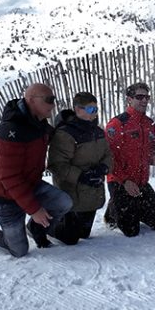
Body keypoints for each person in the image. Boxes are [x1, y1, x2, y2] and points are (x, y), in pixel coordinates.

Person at [0, 83, 73, 257]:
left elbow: (53, 135)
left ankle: (34, 229)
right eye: (49, 100)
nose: (54, 105)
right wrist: (34, 210)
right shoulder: (10, 132)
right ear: (31, 100)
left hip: (29, 186)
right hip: (3, 197)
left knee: (63, 202)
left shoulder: (38, 123)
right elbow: (9, 178)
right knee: (18, 250)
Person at [47, 91, 113, 245]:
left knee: (83, 233)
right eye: (91, 110)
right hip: (72, 192)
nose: (95, 113)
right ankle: (39, 227)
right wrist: (81, 176)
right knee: (70, 237)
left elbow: (108, 154)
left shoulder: (97, 132)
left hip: (92, 192)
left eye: (96, 109)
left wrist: (103, 168)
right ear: (78, 109)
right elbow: (57, 165)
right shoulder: (65, 134)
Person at [103, 82, 155, 237]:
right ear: (129, 99)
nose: (144, 100)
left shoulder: (149, 124)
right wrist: (124, 181)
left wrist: (153, 158)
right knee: (131, 231)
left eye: (147, 97)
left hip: (141, 182)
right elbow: (108, 158)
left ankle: (131, 205)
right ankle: (113, 211)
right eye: (139, 97)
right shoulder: (117, 124)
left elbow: (149, 151)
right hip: (120, 182)